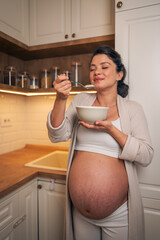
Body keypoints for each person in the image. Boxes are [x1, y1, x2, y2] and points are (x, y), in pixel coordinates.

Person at [47, 46, 153, 240]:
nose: (97, 72)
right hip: (80, 214)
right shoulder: (81, 100)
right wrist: (61, 99)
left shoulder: (132, 109)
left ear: (119, 74)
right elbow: (57, 135)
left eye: (104, 67)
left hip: (118, 216)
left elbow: (146, 155)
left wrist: (111, 129)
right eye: (93, 68)